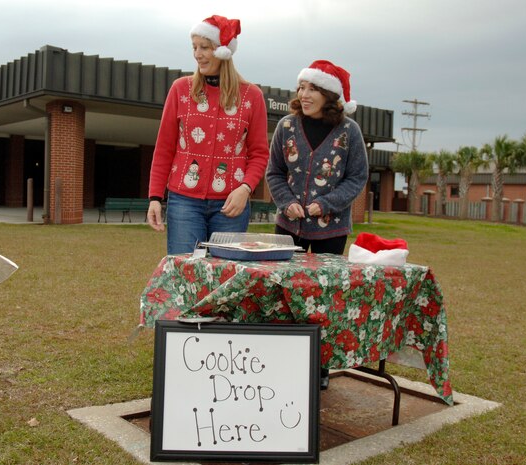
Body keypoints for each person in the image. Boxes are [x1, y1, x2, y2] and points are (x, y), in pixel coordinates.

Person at [266, 60, 369, 389]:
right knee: (283, 293)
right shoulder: (285, 127)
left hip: (331, 230)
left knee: (323, 297)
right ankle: (278, 360)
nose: (303, 94)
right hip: (288, 227)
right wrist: (287, 202)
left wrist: (324, 204)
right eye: (301, 87)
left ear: (329, 94)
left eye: (311, 88)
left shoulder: (349, 132)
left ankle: (319, 365)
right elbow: (274, 173)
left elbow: (357, 178)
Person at [146, 14, 269, 254]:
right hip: (184, 202)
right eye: (194, 47)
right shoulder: (180, 90)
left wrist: (245, 189)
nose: (197, 54)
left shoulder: (251, 96)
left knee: (224, 278)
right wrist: (154, 197)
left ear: (222, 51)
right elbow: (164, 148)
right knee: (186, 274)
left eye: (204, 47)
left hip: (231, 205)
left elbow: (259, 153)